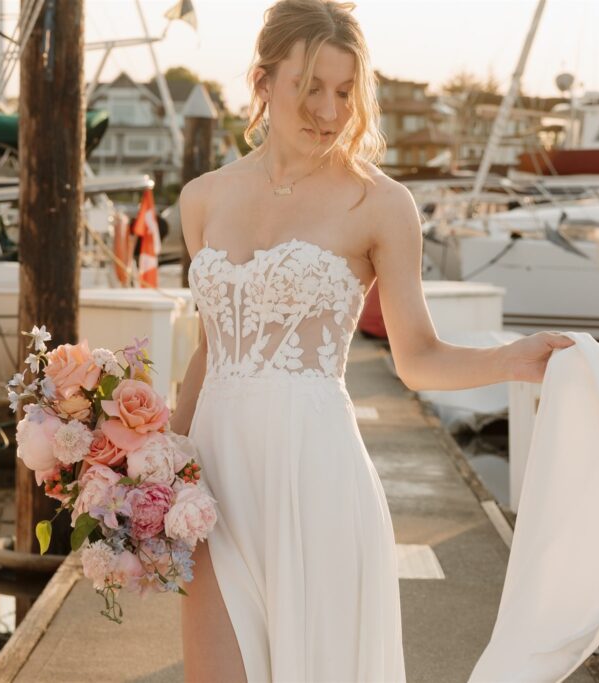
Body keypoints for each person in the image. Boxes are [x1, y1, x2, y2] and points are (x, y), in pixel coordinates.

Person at [167, 1, 575, 680]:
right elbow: (210, 352)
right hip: (214, 484)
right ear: (263, 81)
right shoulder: (203, 198)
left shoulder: (379, 204)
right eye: (309, 88)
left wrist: (512, 358)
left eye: (344, 91)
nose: (328, 111)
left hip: (316, 478)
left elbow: (417, 357)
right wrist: (156, 471)